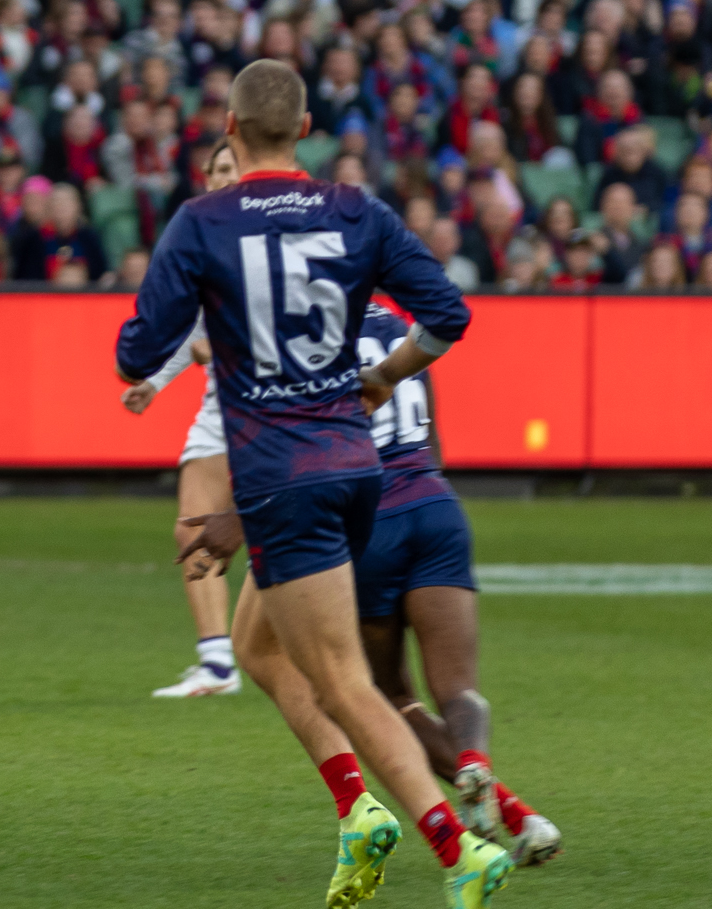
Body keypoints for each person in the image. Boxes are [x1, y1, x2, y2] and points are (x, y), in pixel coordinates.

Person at [115, 58, 509, 909]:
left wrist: (180, 308)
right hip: (356, 465)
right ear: (304, 130)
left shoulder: (200, 221)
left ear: (227, 128)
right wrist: (382, 376)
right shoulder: (355, 210)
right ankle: (357, 810)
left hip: (281, 474)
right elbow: (449, 314)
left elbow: (136, 353)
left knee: (342, 681)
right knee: (261, 647)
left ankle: (457, 849)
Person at [353, 298, 562, 866]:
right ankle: (481, 770)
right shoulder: (401, 331)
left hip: (370, 519)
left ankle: (498, 809)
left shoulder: (315, 333)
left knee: (388, 695)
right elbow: (432, 438)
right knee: (458, 688)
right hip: (434, 504)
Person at [121, 136, 245, 697]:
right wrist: (154, 383)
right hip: (223, 406)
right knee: (192, 526)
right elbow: (190, 329)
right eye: (216, 169)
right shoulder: (203, 239)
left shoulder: (266, 236)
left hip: (276, 405)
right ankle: (217, 660)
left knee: (286, 537)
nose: (223, 177)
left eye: (232, 167)